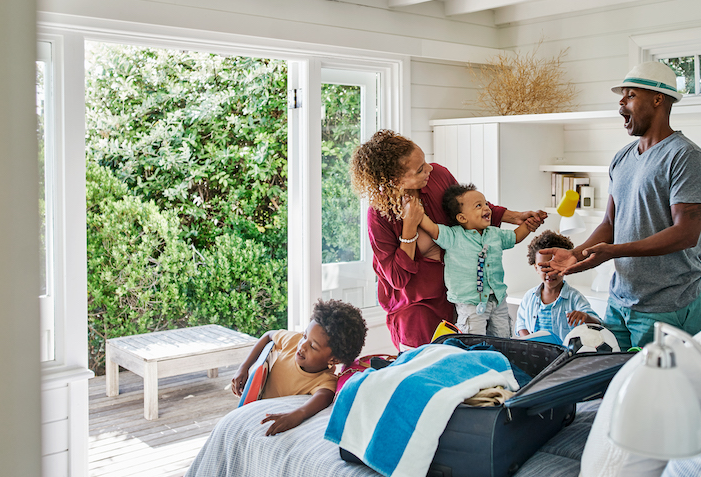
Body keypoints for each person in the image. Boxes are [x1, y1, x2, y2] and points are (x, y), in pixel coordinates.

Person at [539, 61, 701, 349]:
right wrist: (576, 253)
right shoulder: (622, 158)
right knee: (615, 381)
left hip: (666, 305)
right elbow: (610, 223)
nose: (621, 102)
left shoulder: (686, 157)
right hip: (619, 302)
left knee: (656, 391)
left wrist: (613, 253)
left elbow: (686, 233)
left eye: (630, 95)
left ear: (658, 99)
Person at [350, 130, 546, 349]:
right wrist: (409, 228)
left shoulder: (438, 177)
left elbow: (469, 208)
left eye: (425, 162)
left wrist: (515, 216)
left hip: (464, 295)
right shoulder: (379, 215)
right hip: (418, 307)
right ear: (395, 180)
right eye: (420, 169)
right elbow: (397, 279)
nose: (430, 169)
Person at [416, 183, 542, 336]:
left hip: (497, 299)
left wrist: (530, 225)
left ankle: (500, 359)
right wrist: (417, 212)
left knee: (503, 338)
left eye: (486, 203)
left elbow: (515, 237)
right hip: (470, 303)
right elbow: (432, 228)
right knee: (473, 341)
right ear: (462, 217)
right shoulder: (453, 236)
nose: (487, 208)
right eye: (478, 206)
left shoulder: (495, 234)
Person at [230, 299, 367, 435]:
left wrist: (298, 415)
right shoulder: (293, 341)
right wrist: (244, 367)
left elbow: (324, 396)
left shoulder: (325, 380)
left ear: (333, 359)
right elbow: (268, 336)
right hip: (252, 404)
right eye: (304, 335)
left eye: (313, 346)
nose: (302, 345)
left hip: (266, 416)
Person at [516, 230, 601, 341]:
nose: (550, 273)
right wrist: (529, 342)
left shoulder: (574, 298)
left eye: (555, 267)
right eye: (544, 267)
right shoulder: (529, 297)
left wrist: (585, 317)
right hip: (536, 352)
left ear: (566, 266)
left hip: (565, 355)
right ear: (536, 268)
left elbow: (598, 324)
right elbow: (521, 324)